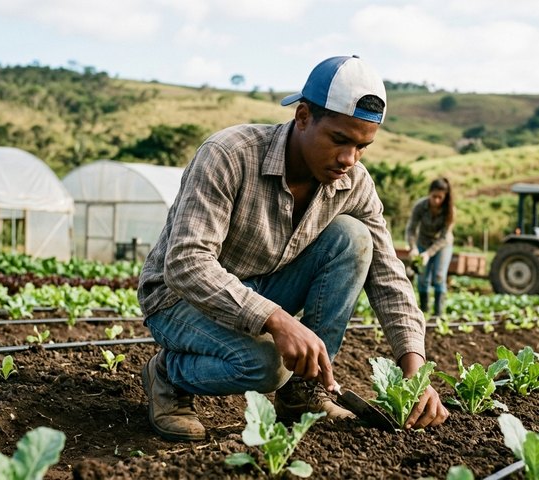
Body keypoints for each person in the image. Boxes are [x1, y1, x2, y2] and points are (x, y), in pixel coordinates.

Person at [137, 55, 448, 442]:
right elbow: (187, 263)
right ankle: (168, 375)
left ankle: (303, 392)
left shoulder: (354, 183)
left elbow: (388, 276)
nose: (349, 159)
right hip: (178, 298)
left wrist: (415, 370)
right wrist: (278, 321)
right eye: (339, 140)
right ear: (303, 117)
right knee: (268, 366)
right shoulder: (229, 154)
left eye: (362, 146)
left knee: (353, 238)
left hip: (260, 289)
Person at [405, 178, 455, 317]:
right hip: (423, 242)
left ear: (445, 197)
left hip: (442, 245)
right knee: (422, 278)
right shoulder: (420, 206)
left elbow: (444, 237)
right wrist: (413, 248)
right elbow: (411, 229)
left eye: (440, 197)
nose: (436, 200)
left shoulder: (449, 211)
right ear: (429, 193)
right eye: (434, 196)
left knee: (439, 276)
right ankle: (424, 312)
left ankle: (438, 314)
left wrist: (428, 254)